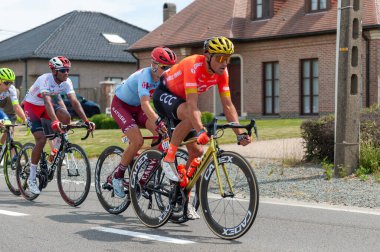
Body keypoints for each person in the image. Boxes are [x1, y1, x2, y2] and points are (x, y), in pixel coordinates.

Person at [153, 36, 252, 219]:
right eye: (220, 58)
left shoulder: (223, 73)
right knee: (193, 117)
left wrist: (239, 133)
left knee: (197, 152)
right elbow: (192, 105)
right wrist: (200, 130)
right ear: (208, 56)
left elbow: (228, 105)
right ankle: (169, 157)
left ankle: (185, 199)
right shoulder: (193, 64)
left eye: (227, 58)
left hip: (183, 102)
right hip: (164, 94)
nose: (224, 63)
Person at [23, 56, 95, 195]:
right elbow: (47, 101)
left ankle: (57, 145)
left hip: (45, 107)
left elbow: (74, 101)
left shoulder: (66, 82)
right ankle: (31, 178)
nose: (66, 73)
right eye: (63, 70)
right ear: (54, 71)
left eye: (68, 70)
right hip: (32, 106)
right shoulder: (45, 79)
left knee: (66, 116)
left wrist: (86, 121)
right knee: (41, 139)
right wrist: (55, 121)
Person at [110, 47, 177, 198]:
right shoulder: (145, 76)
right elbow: (146, 104)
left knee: (161, 136)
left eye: (171, 68)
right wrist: (159, 121)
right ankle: (117, 177)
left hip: (138, 108)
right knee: (137, 140)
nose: (168, 71)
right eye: (165, 67)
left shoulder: (165, 79)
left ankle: (147, 174)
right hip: (121, 106)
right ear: (154, 64)